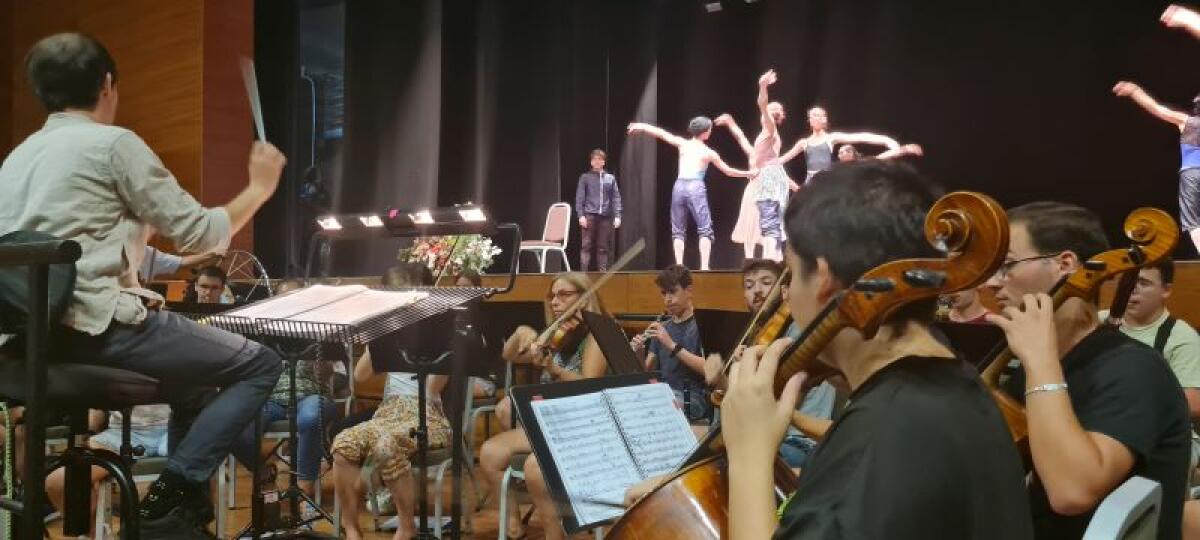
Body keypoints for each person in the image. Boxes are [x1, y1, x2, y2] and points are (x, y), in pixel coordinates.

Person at [0, 33, 286, 538]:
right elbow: (201, 229)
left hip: (32, 341)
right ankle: (171, 497)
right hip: (101, 328)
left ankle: (176, 517)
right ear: (107, 84)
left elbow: (118, 253)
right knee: (261, 364)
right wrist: (259, 189)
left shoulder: (16, 161)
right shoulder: (112, 144)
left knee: (196, 388)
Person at [721, 161, 1033, 539]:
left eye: (789, 275)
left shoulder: (879, 436)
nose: (787, 298)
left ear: (823, 278)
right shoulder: (958, 383)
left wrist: (749, 456)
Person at [982, 201, 1191, 539]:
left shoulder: (1135, 369)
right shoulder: (1028, 370)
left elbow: (1072, 491)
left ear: (1065, 264)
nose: (991, 283)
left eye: (1006, 265)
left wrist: (1039, 358)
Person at [478, 273, 609, 540]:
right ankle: (514, 525)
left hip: (581, 423)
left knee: (536, 468)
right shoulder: (557, 333)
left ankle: (557, 532)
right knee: (489, 453)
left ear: (585, 297)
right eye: (552, 296)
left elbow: (590, 383)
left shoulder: (598, 335)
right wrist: (521, 332)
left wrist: (553, 368)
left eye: (564, 295)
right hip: (550, 420)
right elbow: (509, 355)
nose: (555, 302)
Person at [229, 279, 336, 509]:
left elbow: (329, 374)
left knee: (310, 417)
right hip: (270, 396)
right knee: (233, 423)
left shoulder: (318, 327)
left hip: (311, 394)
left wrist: (321, 361)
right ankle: (264, 472)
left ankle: (304, 490)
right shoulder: (262, 329)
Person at [627, 118, 756, 270]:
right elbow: (728, 171)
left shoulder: (683, 144)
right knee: (704, 227)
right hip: (695, 186)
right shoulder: (708, 152)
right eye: (709, 129)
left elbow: (661, 133)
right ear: (705, 132)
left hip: (679, 186)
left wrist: (641, 125)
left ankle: (680, 264)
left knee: (678, 229)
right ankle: (704, 267)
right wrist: (748, 173)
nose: (710, 131)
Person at [1097, 259, 1200, 421]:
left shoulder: (1182, 337)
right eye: (1128, 281)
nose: (1132, 289)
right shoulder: (1097, 321)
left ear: (1166, 290)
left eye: (1143, 283)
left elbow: (1192, 404)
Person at [45, 406, 171, 536]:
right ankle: (94, 535)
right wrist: (89, 432)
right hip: (120, 433)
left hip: (174, 429)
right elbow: (95, 406)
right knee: (58, 482)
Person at [716, 69, 800, 261]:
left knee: (769, 220)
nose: (765, 112)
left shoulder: (770, 130)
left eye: (771, 111)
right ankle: (760, 259)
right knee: (757, 219)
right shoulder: (764, 136)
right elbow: (743, 141)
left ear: (773, 116)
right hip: (763, 177)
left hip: (768, 177)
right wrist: (731, 123)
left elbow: (762, 103)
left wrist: (762, 86)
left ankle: (772, 259)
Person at [1113, 81, 1200, 255]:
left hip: (1192, 172)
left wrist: (1135, 91)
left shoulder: (1187, 121)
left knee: (1193, 221)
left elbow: (1157, 109)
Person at [631, 264, 711, 422]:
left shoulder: (703, 324)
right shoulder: (663, 327)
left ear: (688, 290)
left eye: (672, 292)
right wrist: (639, 352)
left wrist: (671, 345)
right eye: (664, 293)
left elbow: (709, 369)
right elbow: (647, 372)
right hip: (664, 392)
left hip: (693, 397)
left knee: (656, 405)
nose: (667, 299)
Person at [777, 106, 902, 182]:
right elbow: (782, 159)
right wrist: (759, 164)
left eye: (818, 115)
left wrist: (887, 141)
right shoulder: (804, 142)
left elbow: (860, 136)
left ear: (824, 119)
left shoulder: (831, 138)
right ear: (809, 120)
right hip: (811, 182)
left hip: (826, 180)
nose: (814, 118)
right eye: (812, 116)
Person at [575, 149, 622, 271]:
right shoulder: (585, 177)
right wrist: (581, 215)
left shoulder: (610, 178)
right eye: (594, 159)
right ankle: (583, 274)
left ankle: (602, 274)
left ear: (603, 162)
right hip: (589, 215)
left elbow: (616, 197)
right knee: (586, 246)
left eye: (599, 159)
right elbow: (580, 197)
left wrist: (617, 216)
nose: (596, 161)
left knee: (603, 247)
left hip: (605, 217)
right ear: (591, 162)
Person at [836, 142, 924, 162]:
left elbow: (882, 156)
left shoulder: (863, 163)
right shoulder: (834, 171)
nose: (844, 153)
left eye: (848, 151)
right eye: (841, 152)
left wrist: (905, 149)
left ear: (855, 154)